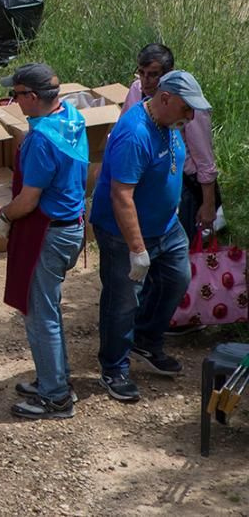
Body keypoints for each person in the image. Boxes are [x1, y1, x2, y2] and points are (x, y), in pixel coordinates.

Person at [90, 69, 207, 402]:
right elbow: (121, 195)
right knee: (122, 301)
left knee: (176, 279)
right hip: (123, 234)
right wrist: (137, 249)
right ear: (166, 98)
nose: (191, 116)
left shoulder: (169, 123)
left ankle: (145, 340)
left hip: (166, 227)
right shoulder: (134, 133)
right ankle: (113, 368)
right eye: (187, 108)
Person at [0, 64, 88, 419]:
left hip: (48, 233)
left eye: (16, 95)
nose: (13, 100)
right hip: (71, 226)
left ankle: (55, 396)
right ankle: (55, 378)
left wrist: (3, 216)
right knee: (50, 308)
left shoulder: (40, 140)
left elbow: (28, 200)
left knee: (40, 314)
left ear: (33, 98)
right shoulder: (72, 116)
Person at [122, 44, 218, 233]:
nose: (145, 81)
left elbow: (204, 159)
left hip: (181, 183)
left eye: (153, 74)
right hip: (145, 182)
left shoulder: (188, 104)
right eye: (141, 73)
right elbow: (123, 128)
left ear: (168, 74)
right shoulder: (136, 90)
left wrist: (208, 204)